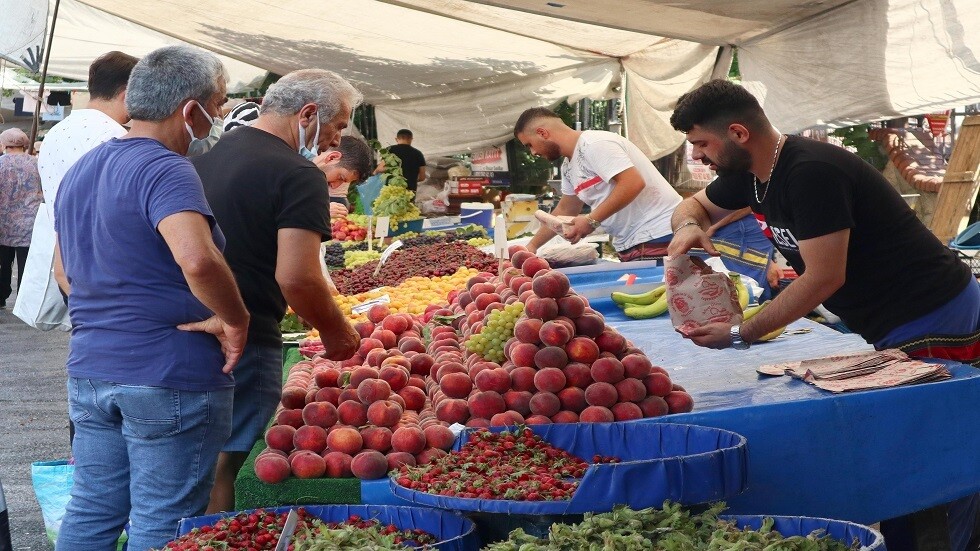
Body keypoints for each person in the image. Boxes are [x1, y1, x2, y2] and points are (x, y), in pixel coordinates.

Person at [667, 78, 980, 551]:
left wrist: (739, 333)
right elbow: (692, 204)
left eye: (702, 144)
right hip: (887, 322)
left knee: (928, 452)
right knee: (908, 448)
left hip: (933, 315)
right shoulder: (752, 174)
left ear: (737, 132)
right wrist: (690, 226)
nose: (699, 158)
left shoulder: (810, 172)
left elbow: (822, 278)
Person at [52, 45, 249, 551]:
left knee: (94, 511)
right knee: (164, 522)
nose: (221, 115)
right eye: (220, 103)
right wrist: (234, 318)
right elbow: (199, 260)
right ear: (191, 110)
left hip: (93, 369)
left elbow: (65, 272)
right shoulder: (166, 169)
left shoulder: (83, 168)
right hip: (168, 374)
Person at [192, 68, 362, 514]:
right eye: (339, 125)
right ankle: (219, 541)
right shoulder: (298, 173)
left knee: (198, 461)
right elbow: (298, 277)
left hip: (198, 328)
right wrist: (336, 333)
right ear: (308, 113)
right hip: (247, 337)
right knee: (227, 465)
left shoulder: (205, 158)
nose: (335, 141)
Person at [513, 107, 682, 261]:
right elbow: (566, 209)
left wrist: (591, 220)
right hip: (633, 244)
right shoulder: (567, 166)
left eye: (529, 145)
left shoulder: (595, 144)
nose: (533, 152)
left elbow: (633, 182)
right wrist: (531, 247)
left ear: (542, 133)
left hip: (660, 235)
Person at [0, 128, 43, 308]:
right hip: (29, 221)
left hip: (3, 221)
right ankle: (24, 300)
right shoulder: (35, 163)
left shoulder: (0, 164)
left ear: (4, 144)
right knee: (27, 262)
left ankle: (1, 296)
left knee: (3, 262)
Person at [315, 134, 375, 218]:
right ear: (332, 158)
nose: (335, 186)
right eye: (340, 178)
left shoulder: (314, 186)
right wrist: (319, 211)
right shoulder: (293, 166)